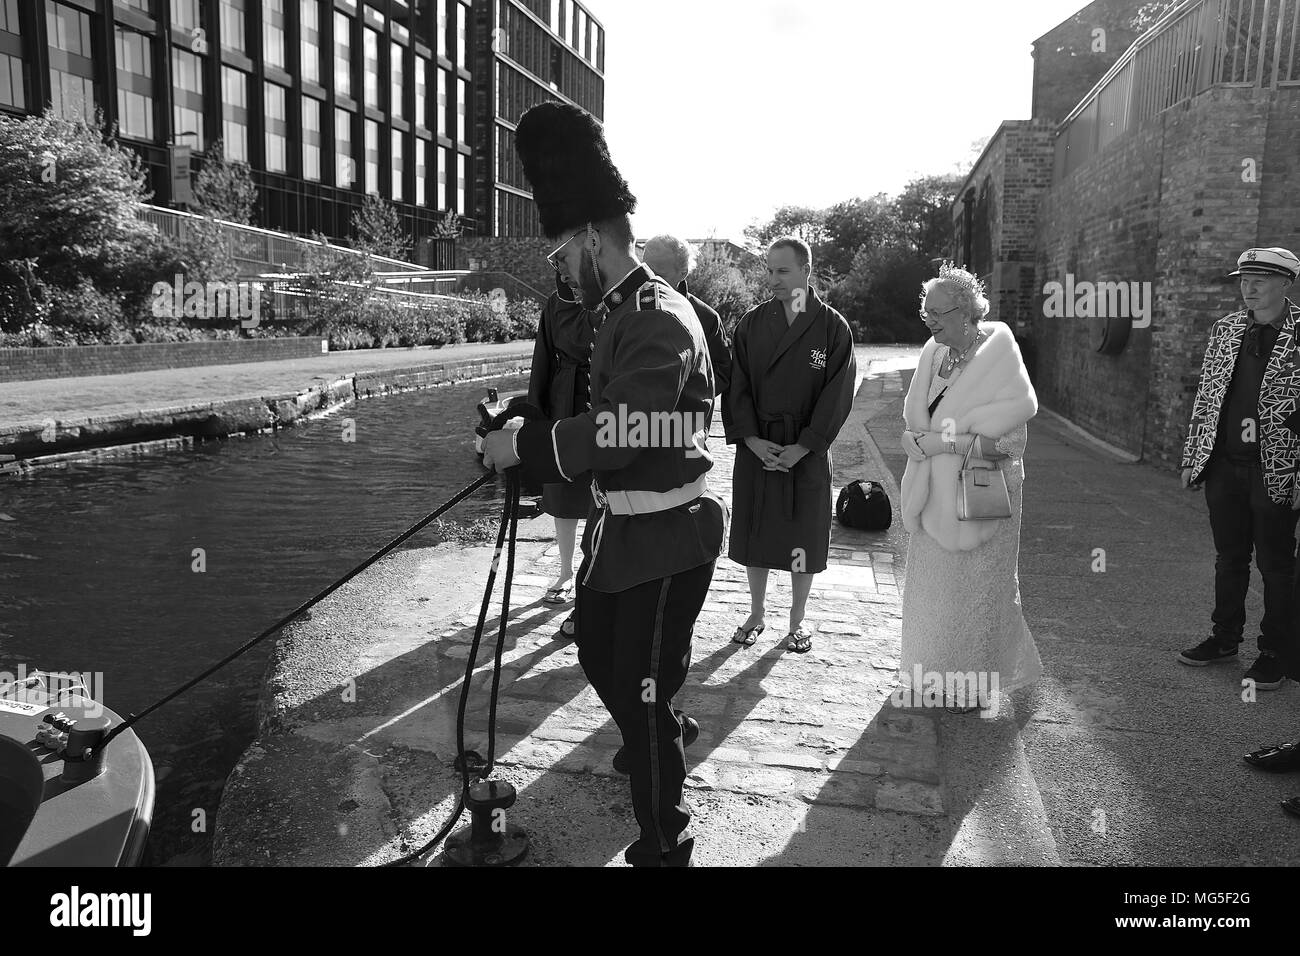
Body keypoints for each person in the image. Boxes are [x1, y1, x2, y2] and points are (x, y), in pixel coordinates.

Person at [480, 102, 725, 867]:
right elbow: (596, 407)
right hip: (620, 531)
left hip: (664, 535)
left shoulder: (657, 316)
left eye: (559, 255)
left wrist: (526, 447)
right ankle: (660, 732)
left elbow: (622, 433)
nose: (557, 270)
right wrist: (524, 417)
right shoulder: (615, 311)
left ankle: (664, 839)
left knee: (642, 691)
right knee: (595, 653)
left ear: (589, 239)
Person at [898, 263, 1040, 714]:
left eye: (938, 312)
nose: (930, 320)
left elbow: (1011, 441)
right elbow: (916, 419)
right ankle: (929, 675)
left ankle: (972, 686)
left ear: (967, 311)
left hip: (981, 491)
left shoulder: (999, 357)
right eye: (926, 313)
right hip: (933, 491)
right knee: (933, 587)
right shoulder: (934, 356)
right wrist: (915, 441)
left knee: (978, 591)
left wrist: (943, 443)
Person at [724, 236, 857, 654]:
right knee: (756, 530)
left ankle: (798, 618)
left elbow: (839, 393)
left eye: (782, 271)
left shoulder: (833, 327)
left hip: (807, 450)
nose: (773, 279)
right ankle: (757, 611)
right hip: (759, 446)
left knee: (804, 534)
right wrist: (750, 439)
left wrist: (805, 446)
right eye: (769, 269)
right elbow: (736, 386)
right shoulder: (751, 324)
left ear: (805, 271)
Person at [1178, 246, 1300, 691]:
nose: (1248, 288)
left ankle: (1274, 653)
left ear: (1286, 284)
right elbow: (1207, 398)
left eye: (1261, 280)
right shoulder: (1226, 329)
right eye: (1244, 280)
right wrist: (1195, 456)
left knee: (1276, 564)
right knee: (1229, 558)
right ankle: (1224, 637)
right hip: (1225, 463)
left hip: (1278, 468)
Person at [526, 269, 599, 637]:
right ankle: (566, 570)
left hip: (600, 400)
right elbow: (542, 358)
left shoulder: (608, 299)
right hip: (561, 399)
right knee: (561, 491)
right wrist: (535, 418)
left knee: (600, 492)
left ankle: (595, 570)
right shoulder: (554, 304)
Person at [642, 234, 732, 396]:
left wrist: (686, 397)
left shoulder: (706, 317)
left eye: (659, 275)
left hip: (682, 418)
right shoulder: (626, 307)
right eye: (645, 271)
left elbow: (721, 371)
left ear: (683, 273)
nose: (650, 280)